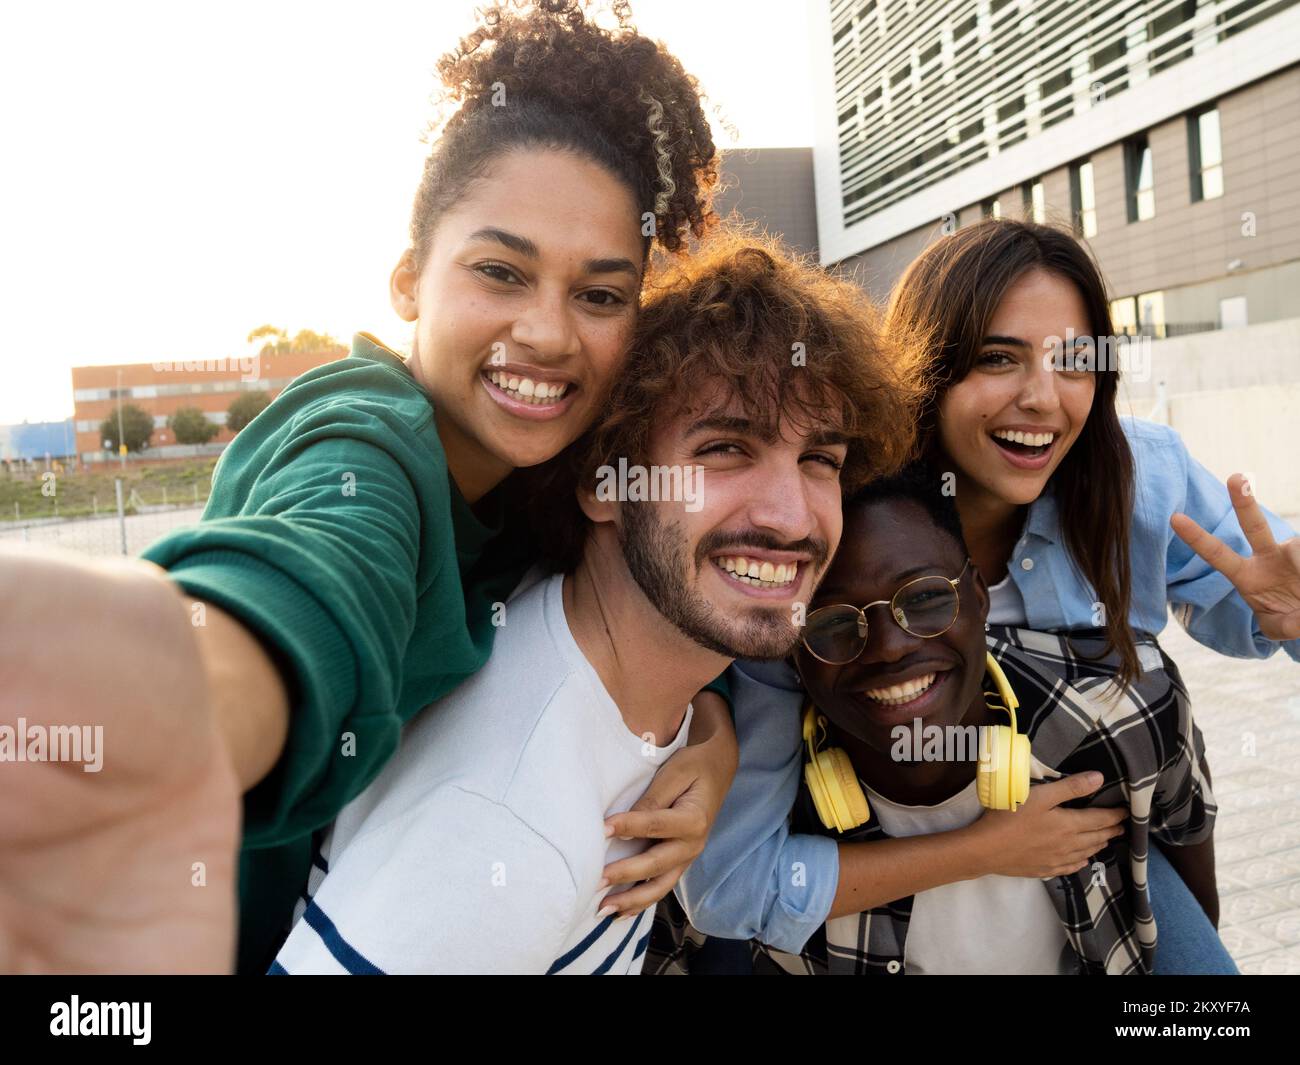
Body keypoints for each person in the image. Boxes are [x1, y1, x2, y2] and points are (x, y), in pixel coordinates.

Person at [0, 0, 737, 975]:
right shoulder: (364, 442)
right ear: (406, 281)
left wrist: (712, 739)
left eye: (599, 295)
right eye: (500, 272)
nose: (549, 333)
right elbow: (310, 589)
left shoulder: (553, 469)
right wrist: (149, 710)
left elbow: (670, 613)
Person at [635, 220, 1298, 974]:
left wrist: (1293, 619)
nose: (1042, 398)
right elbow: (736, 862)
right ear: (925, 367)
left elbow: (1265, 599)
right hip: (874, 847)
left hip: (1079, 838)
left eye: (1074, 361)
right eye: (996, 358)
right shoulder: (835, 511)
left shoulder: (1138, 479)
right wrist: (716, 725)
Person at [269, 229, 924, 973]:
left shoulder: (576, 641)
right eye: (724, 449)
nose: (791, 516)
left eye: (819, 459)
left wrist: (714, 736)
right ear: (603, 485)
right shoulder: (502, 833)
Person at [654, 463, 1215, 974]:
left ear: (980, 596)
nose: (890, 648)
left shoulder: (1125, 710)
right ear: (791, 654)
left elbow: (1192, 903)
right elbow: (714, 908)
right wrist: (981, 851)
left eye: (924, 599)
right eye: (833, 624)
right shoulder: (760, 816)